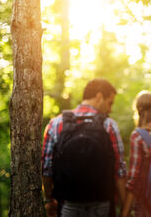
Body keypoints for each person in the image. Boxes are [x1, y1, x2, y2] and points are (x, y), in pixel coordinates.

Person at [42, 78, 127, 217]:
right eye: (109, 103)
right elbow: (119, 170)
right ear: (99, 97)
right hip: (102, 204)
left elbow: (46, 169)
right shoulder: (109, 125)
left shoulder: (56, 124)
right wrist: (125, 207)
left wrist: (48, 199)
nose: (110, 109)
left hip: (68, 204)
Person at [121, 91, 151, 217]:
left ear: (138, 110)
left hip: (148, 205)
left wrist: (124, 212)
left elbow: (134, 179)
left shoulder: (139, 136)